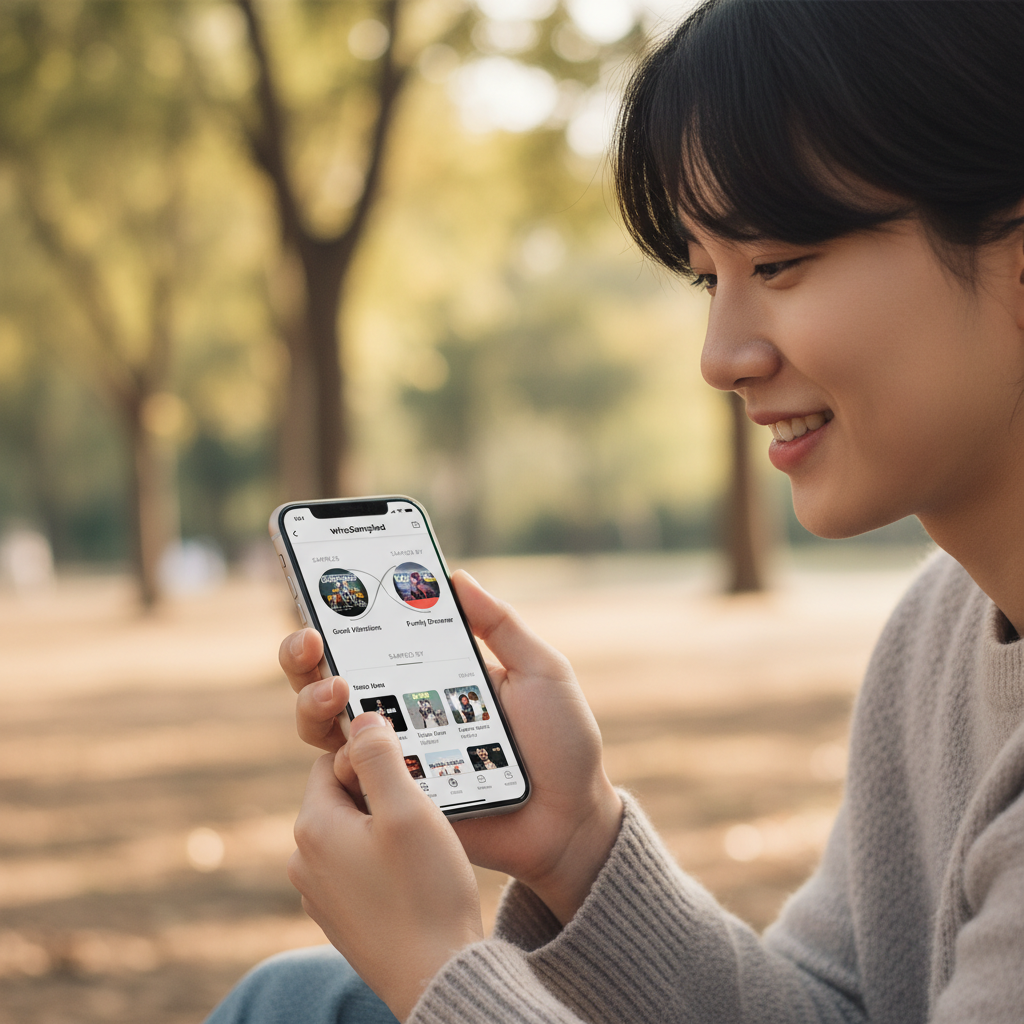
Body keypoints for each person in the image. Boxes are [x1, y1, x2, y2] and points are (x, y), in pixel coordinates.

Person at [205, 2, 1024, 1022]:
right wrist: (576, 842)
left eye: (775, 264)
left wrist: (440, 973)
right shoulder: (939, 630)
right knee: (304, 1000)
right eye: (706, 278)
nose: (722, 357)